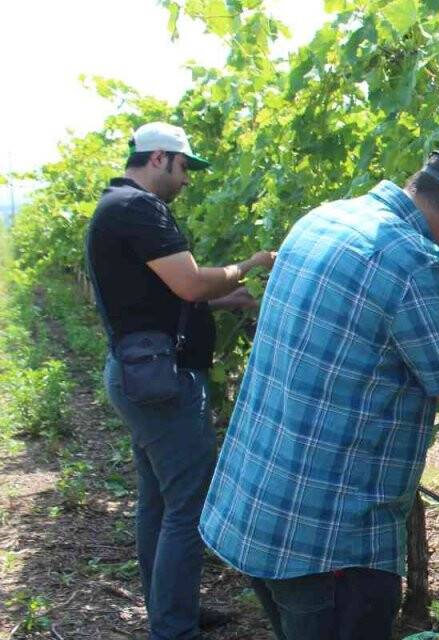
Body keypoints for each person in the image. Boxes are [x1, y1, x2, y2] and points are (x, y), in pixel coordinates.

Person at [199, 149, 439, 639]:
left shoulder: (326, 218)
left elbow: (370, 314)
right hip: (329, 544)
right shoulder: (414, 262)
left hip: (259, 512)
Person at [85, 121, 274, 640]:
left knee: (160, 501)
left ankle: (172, 611)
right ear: (160, 158)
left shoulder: (116, 207)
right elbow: (188, 281)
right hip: (161, 382)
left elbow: (158, 296)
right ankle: (173, 628)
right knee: (189, 504)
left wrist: (223, 300)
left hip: (140, 374)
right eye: (185, 166)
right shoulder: (138, 209)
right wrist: (248, 266)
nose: (187, 179)